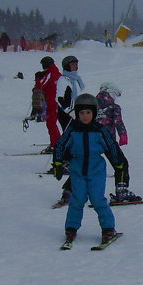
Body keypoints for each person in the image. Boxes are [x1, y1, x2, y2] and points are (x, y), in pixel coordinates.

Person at [51, 93, 127, 247]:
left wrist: (118, 164)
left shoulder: (99, 130)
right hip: (77, 170)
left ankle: (108, 229)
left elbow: (111, 147)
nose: (85, 116)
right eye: (81, 113)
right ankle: (71, 228)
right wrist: (58, 163)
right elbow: (60, 144)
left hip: (96, 171)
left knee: (98, 199)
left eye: (88, 113)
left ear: (94, 113)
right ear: (77, 114)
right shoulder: (73, 130)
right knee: (77, 200)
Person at [97, 81, 141, 202]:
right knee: (121, 163)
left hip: (93, 141)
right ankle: (122, 190)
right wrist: (123, 135)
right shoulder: (114, 107)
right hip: (108, 142)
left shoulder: (91, 105)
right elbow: (118, 122)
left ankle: (69, 191)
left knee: (86, 165)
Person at [39, 56, 63, 152]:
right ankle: (56, 142)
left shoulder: (50, 74)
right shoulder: (57, 73)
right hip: (57, 102)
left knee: (51, 123)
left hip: (51, 102)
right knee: (53, 123)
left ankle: (56, 144)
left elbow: (41, 85)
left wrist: (38, 78)